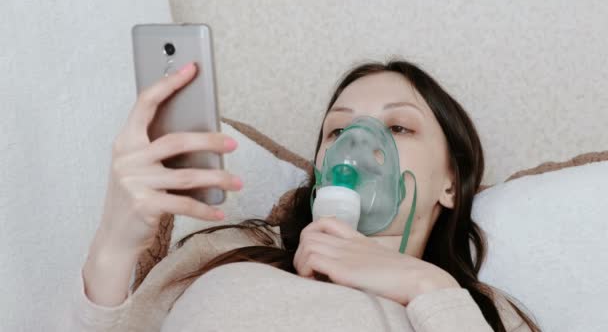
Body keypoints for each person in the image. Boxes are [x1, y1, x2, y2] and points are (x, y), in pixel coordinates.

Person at [69, 59, 541, 331]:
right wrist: (114, 240)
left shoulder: (479, 314)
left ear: (452, 184)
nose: (358, 144)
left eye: (397, 127)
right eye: (338, 130)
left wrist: (426, 287)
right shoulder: (227, 251)